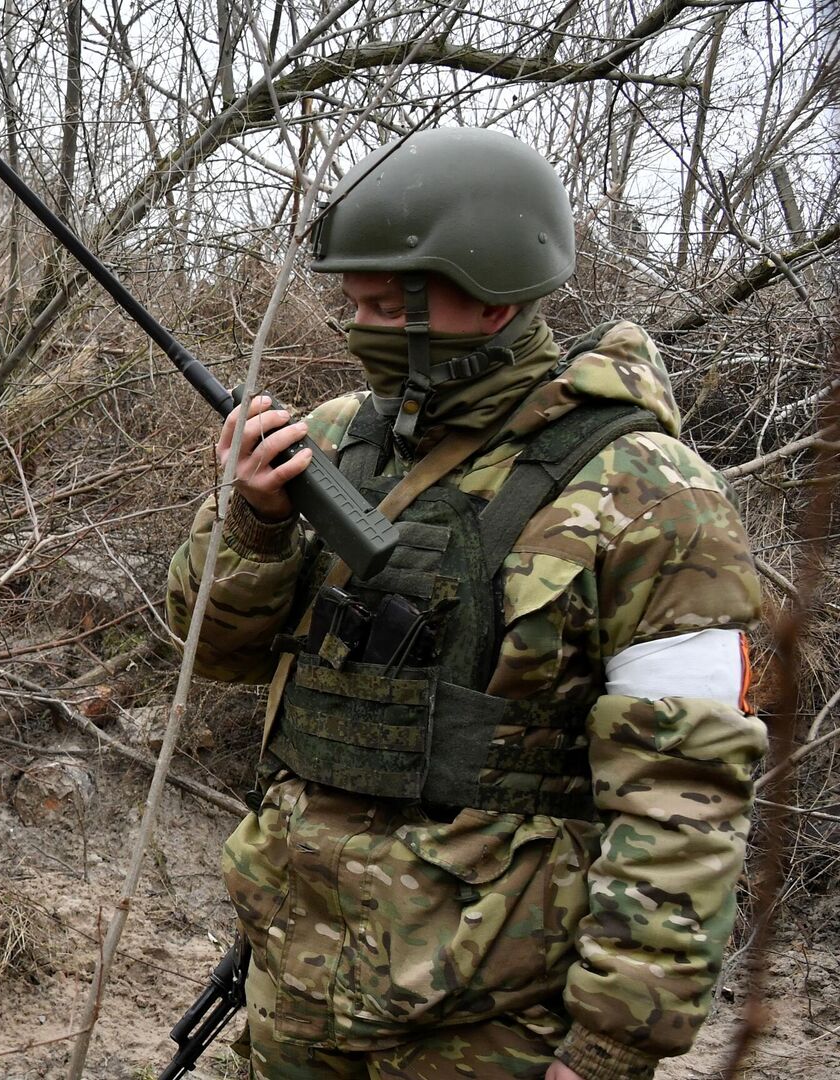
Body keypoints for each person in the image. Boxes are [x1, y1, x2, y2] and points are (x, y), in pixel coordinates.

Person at [165, 127, 765, 1080]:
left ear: (490, 297)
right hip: (295, 975)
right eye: (348, 299)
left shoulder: (650, 492)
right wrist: (255, 521)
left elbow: (684, 806)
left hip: (489, 1022)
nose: (354, 325)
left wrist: (608, 1049)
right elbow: (215, 650)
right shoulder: (333, 444)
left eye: (382, 302)